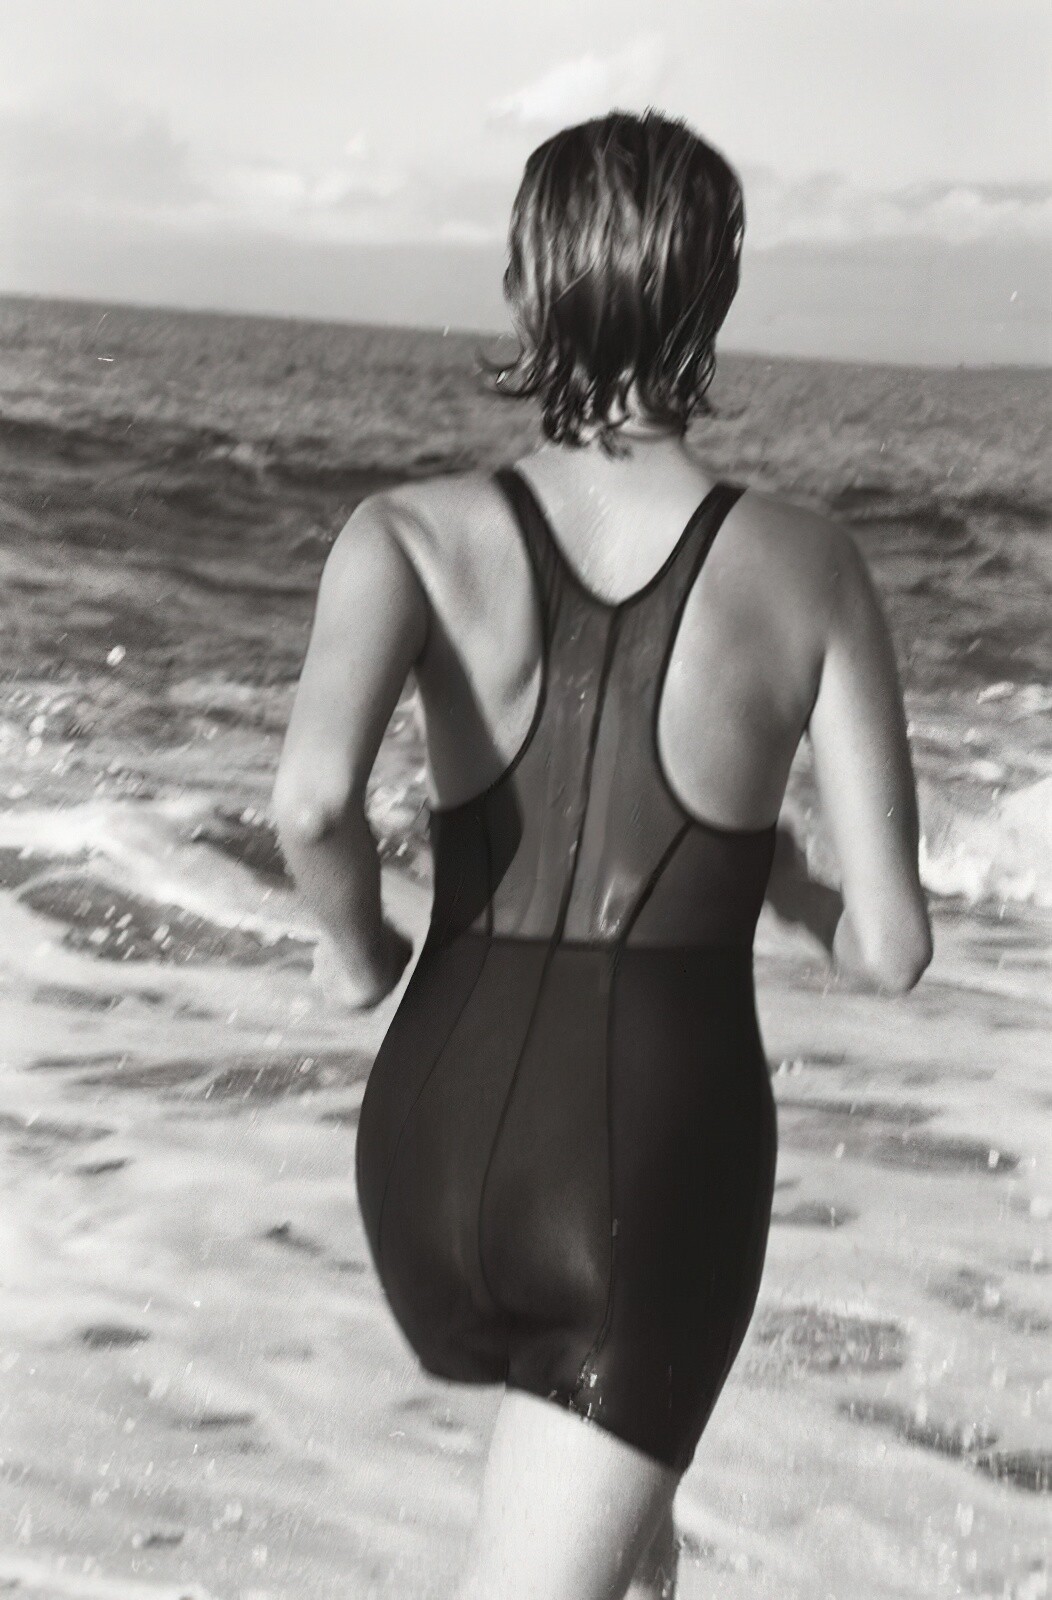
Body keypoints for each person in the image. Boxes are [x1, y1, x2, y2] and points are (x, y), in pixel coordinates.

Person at [272, 109, 932, 1600]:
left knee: (627, 1555)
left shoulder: (406, 533)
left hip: (428, 1145)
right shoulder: (810, 563)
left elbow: (310, 805)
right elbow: (891, 949)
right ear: (716, 293)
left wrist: (356, 951)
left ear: (527, 280)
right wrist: (778, 880)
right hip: (646, 1165)